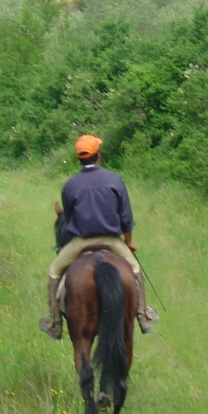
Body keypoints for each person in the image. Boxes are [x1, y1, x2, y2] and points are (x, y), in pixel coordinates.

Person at [39, 134, 159, 340]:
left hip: (80, 243)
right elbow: (126, 218)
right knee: (135, 270)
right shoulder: (114, 180)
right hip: (112, 241)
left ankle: (55, 324)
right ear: (98, 156)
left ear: (79, 158)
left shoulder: (70, 185)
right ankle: (143, 316)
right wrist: (129, 241)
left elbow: (69, 220)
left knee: (53, 272)